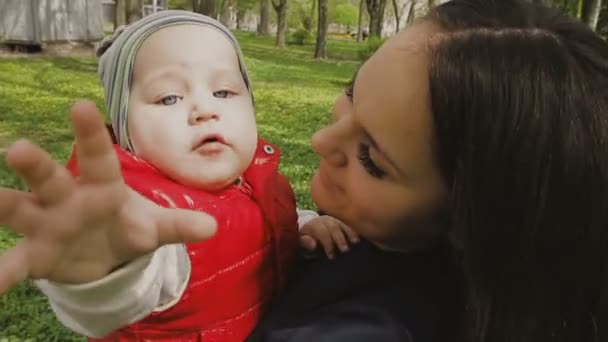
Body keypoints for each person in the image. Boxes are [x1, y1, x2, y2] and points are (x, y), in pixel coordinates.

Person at [2, 0, 607, 341]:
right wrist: (105, 270)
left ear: (465, 226)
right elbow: (149, 272)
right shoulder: (152, 208)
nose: (320, 138)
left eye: (371, 157)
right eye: (351, 92)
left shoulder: (364, 326)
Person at [0, 10, 354, 342]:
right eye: (169, 98)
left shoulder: (260, 176)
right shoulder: (146, 218)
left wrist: (302, 224)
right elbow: (124, 293)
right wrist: (101, 266)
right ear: (126, 130)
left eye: (224, 92)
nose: (205, 109)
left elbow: (264, 219)